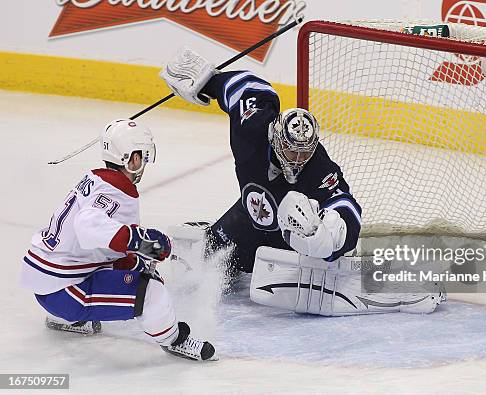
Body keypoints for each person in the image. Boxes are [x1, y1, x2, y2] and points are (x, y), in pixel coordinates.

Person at [161, 48, 445, 315]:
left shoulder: (317, 166)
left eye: (304, 151)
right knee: (199, 269)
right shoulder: (253, 127)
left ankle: (392, 285)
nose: (297, 158)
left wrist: (327, 238)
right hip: (245, 221)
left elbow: (347, 206)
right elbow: (250, 87)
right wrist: (208, 82)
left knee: (308, 266)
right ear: (276, 137)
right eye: (291, 150)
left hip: (286, 241)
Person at [20, 119, 216, 361]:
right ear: (132, 159)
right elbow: (87, 225)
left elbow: (103, 247)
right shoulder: (117, 193)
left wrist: (136, 257)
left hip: (46, 281)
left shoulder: (95, 179)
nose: (144, 163)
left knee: (134, 269)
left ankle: (69, 319)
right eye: (143, 157)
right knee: (152, 291)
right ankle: (174, 340)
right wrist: (143, 242)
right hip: (65, 292)